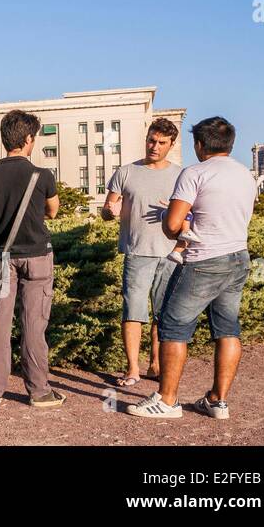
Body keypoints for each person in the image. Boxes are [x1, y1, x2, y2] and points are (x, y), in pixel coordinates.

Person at [128, 117, 257, 419]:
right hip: (238, 258)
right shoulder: (245, 175)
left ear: (199, 144)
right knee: (227, 329)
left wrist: (177, 225)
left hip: (203, 260)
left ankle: (167, 400)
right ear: (230, 144)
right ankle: (217, 401)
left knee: (173, 326)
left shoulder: (195, 173)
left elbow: (173, 224)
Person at [0, 109, 65, 407]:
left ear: (3, 140)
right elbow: (53, 211)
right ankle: (39, 392)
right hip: (37, 256)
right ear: (28, 139)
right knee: (33, 325)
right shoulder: (43, 176)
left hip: (0, 260)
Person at [101, 118, 183, 387]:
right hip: (137, 251)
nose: (154, 146)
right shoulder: (126, 172)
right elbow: (106, 210)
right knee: (133, 311)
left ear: (171, 144)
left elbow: (191, 215)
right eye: (151, 140)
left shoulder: (181, 175)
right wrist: (109, 212)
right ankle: (132, 369)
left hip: (171, 253)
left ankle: (156, 363)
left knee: (163, 313)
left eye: (161, 143)